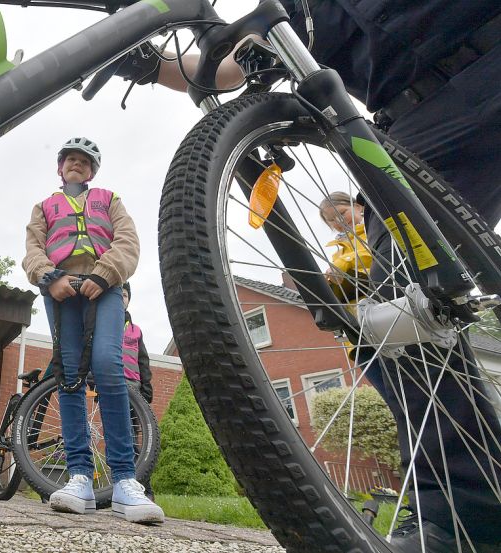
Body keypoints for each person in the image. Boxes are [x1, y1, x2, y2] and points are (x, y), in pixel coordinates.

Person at [115, 4, 501, 547]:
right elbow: (229, 67)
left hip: (480, 68)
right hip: (419, 117)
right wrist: (149, 65)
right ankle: (469, 505)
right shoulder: (297, 11)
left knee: (395, 290)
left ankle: (471, 513)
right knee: (382, 315)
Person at [23, 137, 163, 524]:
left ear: (93, 170)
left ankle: (124, 481)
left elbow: (127, 242)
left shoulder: (110, 199)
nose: (76, 165)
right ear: (60, 167)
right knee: (69, 373)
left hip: (105, 288)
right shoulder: (43, 207)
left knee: (106, 363)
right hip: (61, 289)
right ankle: (79, 476)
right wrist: (48, 276)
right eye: (70, 160)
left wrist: (104, 275)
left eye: (84, 161)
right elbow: (32, 248)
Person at [119, 282, 155, 499]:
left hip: (135, 389)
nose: (122, 298)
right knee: (121, 437)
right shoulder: (106, 325)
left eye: (125, 295)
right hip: (114, 388)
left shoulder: (136, 330)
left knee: (135, 440)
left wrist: (147, 387)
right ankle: (121, 485)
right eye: (119, 294)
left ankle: (144, 488)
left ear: (129, 299)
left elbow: (144, 361)